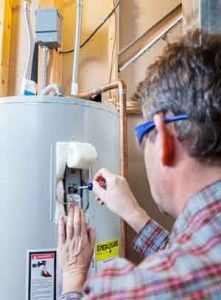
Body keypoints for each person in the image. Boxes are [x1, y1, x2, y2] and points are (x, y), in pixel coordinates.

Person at [58, 31, 221, 299]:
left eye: (142, 134)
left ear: (165, 138)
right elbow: (191, 253)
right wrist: (133, 212)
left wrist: (73, 278)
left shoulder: (129, 292)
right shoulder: (206, 249)